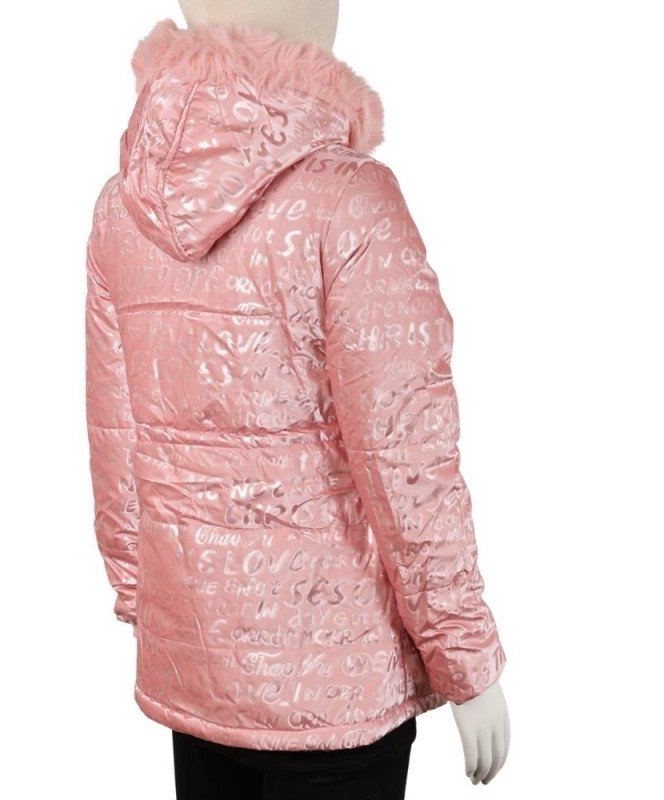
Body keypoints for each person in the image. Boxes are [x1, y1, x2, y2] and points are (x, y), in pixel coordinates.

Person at [85, 3, 510, 796]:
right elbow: (408, 463)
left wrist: (154, 614)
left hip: (194, 670)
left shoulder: (122, 207)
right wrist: (467, 662)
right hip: (339, 685)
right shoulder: (350, 200)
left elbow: (117, 444)